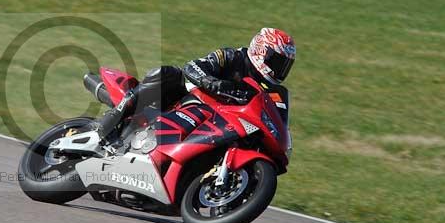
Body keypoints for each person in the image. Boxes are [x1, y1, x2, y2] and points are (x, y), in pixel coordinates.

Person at [96, 27, 296, 139]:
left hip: (221, 122)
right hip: (189, 99)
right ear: (261, 51)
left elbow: (278, 121)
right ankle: (111, 120)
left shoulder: (275, 92)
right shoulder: (232, 56)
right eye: (277, 61)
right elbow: (193, 66)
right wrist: (210, 81)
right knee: (171, 73)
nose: (280, 69)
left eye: (285, 65)